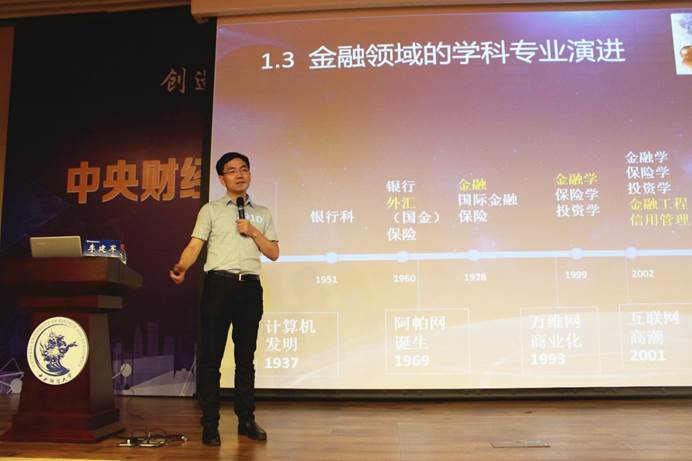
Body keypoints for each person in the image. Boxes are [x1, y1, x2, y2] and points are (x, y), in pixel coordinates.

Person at [169, 152, 279, 445]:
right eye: (232, 171)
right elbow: (195, 245)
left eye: (244, 169)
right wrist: (182, 266)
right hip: (219, 286)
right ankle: (210, 424)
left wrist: (253, 231)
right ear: (222, 178)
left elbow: (273, 252)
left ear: (250, 174)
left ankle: (246, 420)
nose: (239, 174)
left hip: (250, 289)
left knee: (246, 359)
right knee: (211, 358)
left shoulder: (262, 213)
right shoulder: (211, 210)